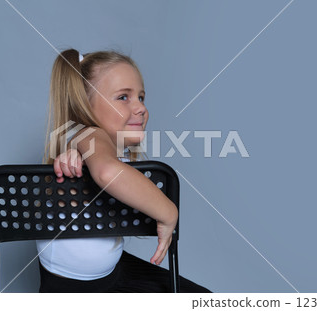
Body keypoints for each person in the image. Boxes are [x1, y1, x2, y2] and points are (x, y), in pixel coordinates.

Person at [37, 48, 211, 293]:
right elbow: (107, 172)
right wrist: (169, 212)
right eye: (123, 97)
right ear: (85, 106)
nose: (140, 107)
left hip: (111, 276)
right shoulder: (88, 133)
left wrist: (84, 157)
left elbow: (106, 168)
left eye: (141, 97)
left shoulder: (90, 146)